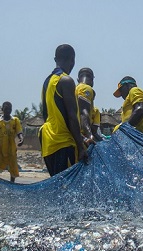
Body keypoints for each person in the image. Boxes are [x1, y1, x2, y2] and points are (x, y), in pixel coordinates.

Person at [40, 44, 88, 176]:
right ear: (72, 60)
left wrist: (82, 137)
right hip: (63, 143)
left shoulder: (47, 82)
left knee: (57, 188)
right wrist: (80, 145)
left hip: (48, 143)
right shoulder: (66, 80)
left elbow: (46, 114)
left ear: (55, 59)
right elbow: (71, 116)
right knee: (67, 189)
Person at [0, 101, 23, 182]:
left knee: (13, 168)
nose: (8, 110)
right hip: (1, 148)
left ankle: (11, 185)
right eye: (6, 109)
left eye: (10, 109)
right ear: (2, 109)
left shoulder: (15, 120)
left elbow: (19, 131)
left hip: (11, 148)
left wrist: (21, 139)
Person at [76, 67, 102, 143]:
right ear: (92, 79)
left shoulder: (72, 89)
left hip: (73, 135)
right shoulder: (86, 88)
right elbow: (83, 113)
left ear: (78, 79)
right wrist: (89, 136)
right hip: (83, 137)